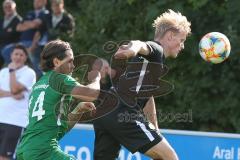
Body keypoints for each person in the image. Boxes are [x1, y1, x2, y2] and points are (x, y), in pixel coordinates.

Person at [93, 9, 191, 160]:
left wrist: (155, 130)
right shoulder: (157, 49)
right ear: (171, 36)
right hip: (122, 110)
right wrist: (131, 49)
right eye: (182, 40)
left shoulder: (150, 65)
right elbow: (140, 44)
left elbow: (148, 97)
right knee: (170, 157)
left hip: (104, 109)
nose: (182, 46)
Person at [16, 40, 101, 160]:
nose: (73, 66)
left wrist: (78, 110)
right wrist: (96, 78)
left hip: (25, 150)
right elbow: (92, 94)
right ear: (56, 62)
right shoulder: (60, 79)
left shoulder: (39, 84)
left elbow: (58, 129)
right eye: (70, 61)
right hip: (43, 151)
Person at [0, 44, 36, 160]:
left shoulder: (29, 73)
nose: (18, 57)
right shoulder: (3, 71)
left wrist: (12, 71)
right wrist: (12, 95)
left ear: (26, 58)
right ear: (11, 56)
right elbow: (12, 92)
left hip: (15, 122)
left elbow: (15, 88)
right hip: (1, 118)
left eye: (21, 55)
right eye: (16, 54)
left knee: (5, 157)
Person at [0, 0, 22, 66]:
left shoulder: (19, 20)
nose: (7, 9)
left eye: (9, 7)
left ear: (14, 8)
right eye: (5, 7)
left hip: (12, 47)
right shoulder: (1, 21)